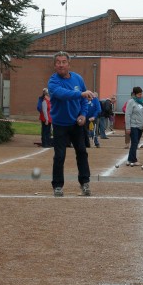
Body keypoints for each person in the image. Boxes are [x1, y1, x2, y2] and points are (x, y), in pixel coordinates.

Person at [47, 51, 94, 197]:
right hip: (60, 124)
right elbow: (63, 94)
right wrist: (81, 94)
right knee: (59, 155)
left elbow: (84, 101)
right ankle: (57, 186)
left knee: (81, 152)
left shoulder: (78, 79)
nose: (61, 65)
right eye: (58, 62)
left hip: (76, 123)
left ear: (69, 64)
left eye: (63, 62)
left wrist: (83, 114)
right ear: (55, 65)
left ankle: (85, 183)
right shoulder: (53, 82)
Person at [125, 86, 143, 166]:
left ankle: (130, 159)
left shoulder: (141, 103)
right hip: (133, 126)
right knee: (134, 143)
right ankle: (132, 160)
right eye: (139, 94)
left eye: (141, 94)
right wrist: (128, 127)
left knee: (136, 143)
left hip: (140, 126)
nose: (141, 95)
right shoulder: (131, 102)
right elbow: (127, 115)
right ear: (134, 94)